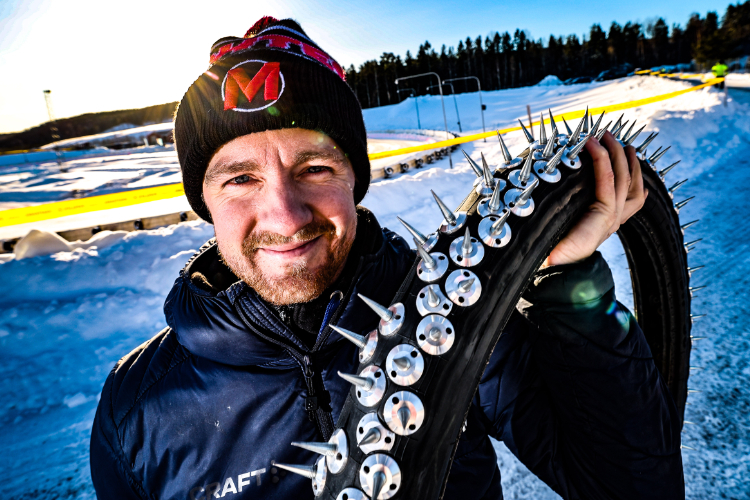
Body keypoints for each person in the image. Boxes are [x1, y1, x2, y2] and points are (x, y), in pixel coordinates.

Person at [90, 17, 684, 500]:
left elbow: (629, 483)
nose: (286, 216)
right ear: (205, 203)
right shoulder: (136, 410)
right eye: (240, 179)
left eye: (314, 169)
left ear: (355, 178)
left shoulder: (453, 316)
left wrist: (566, 282)